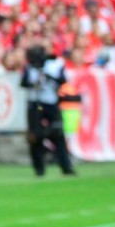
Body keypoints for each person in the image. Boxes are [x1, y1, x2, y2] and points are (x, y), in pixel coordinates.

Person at [20, 45, 76, 177]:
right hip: (35, 104)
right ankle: (39, 168)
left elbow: (63, 81)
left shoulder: (55, 65)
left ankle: (65, 166)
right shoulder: (29, 68)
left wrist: (48, 77)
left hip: (50, 103)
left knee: (58, 134)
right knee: (35, 137)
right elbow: (23, 83)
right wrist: (34, 84)